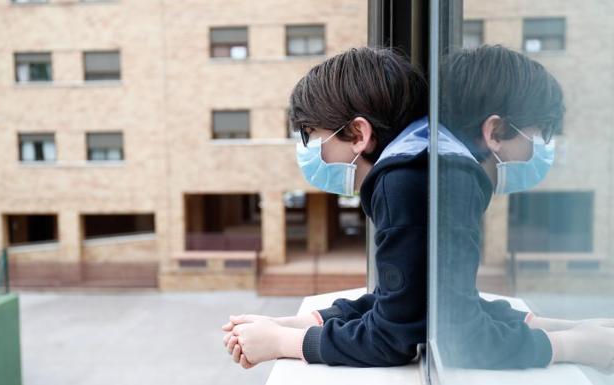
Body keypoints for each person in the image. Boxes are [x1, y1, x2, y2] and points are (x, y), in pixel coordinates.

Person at [221, 45, 614, 371]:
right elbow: (417, 302)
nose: (310, 152)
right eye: (540, 135)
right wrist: (299, 322)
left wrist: (284, 342)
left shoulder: (411, 180)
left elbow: (419, 338)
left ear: (358, 133)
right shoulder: (430, 172)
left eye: (314, 137)